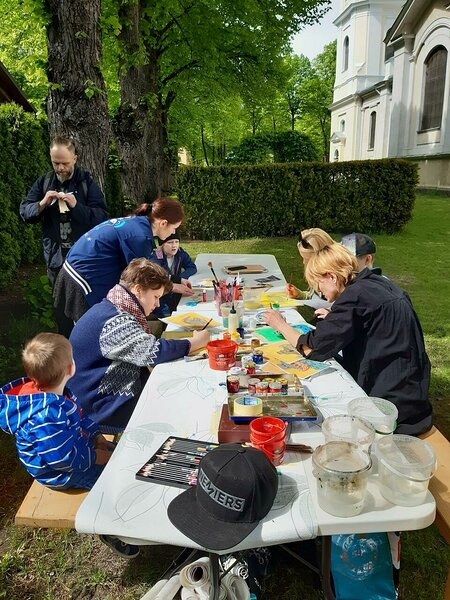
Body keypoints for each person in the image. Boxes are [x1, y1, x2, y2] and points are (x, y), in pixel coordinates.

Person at [264, 244, 432, 435]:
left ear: (332, 277)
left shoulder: (354, 296)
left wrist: (280, 325)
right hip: (413, 391)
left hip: (391, 406)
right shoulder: (375, 282)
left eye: (318, 282)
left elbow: (312, 349)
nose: (319, 291)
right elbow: (369, 319)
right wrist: (334, 318)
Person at [0, 332, 141, 558]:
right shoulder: (45, 416)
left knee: (122, 458)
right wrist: (96, 457)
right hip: (58, 472)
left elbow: (80, 416)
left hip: (74, 447)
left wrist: (96, 435)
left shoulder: (57, 391)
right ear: (69, 369)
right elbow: (61, 460)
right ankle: (108, 527)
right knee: (112, 483)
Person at [69, 259, 210, 433]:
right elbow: (153, 352)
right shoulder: (113, 321)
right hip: (100, 409)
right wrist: (196, 342)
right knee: (182, 410)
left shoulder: (113, 308)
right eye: (156, 297)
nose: (157, 304)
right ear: (137, 290)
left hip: (100, 399)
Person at [53, 197, 194, 331]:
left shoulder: (140, 224)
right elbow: (139, 277)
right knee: (88, 331)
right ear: (163, 223)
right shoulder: (140, 237)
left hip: (79, 273)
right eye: (174, 228)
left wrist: (175, 280)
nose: (173, 232)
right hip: (80, 280)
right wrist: (171, 287)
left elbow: (147, 268)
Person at [19, 136, 108, 285]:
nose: (60, 168)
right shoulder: (45, 182)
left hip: (83, 258)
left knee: (82, 304)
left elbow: (102, 218)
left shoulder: (86, 183)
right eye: (56, 163)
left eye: (65, 163)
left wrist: (77, 207)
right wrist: (42, 204)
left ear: (74, 159)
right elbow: (25, 212)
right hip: (55, 259)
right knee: (58, 305)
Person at [150, 231, 197, 317]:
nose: (174, 245)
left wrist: (181, 278)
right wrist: (178, 280)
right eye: (170, 242)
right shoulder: (156, 258)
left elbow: (191, 267)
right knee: (166, 316)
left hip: (176, 292)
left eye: (176, 242)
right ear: (162, 245)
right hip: (161, 297)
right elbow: (159, 276)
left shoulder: (180, 254)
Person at [286, 228, 335, 300]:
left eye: (307, 259)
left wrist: (328, 311)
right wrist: (300, 295)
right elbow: (318, 298)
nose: (304, 262)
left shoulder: (336, 278)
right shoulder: (320, 273)